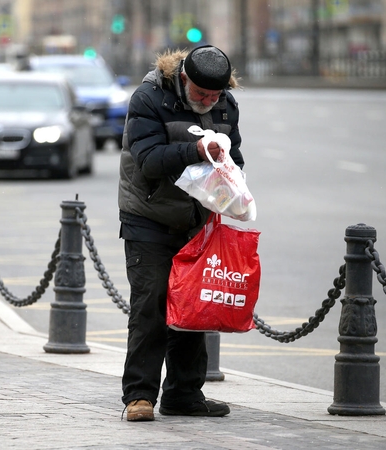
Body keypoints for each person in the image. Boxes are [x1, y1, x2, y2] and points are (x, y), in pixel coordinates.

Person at [118, 45, 244, 422]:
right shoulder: (149, 97)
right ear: (184, 79)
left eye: (215, 95)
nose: (208, 102)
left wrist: (235, 181)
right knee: (151, 305)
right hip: (148, 216)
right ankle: (139, 396)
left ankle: (184, 394)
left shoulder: (226, 106)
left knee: (193, 307)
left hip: (197, 220)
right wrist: (197, 149)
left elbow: (234, 156)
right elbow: (149, 161)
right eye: (201, 94)